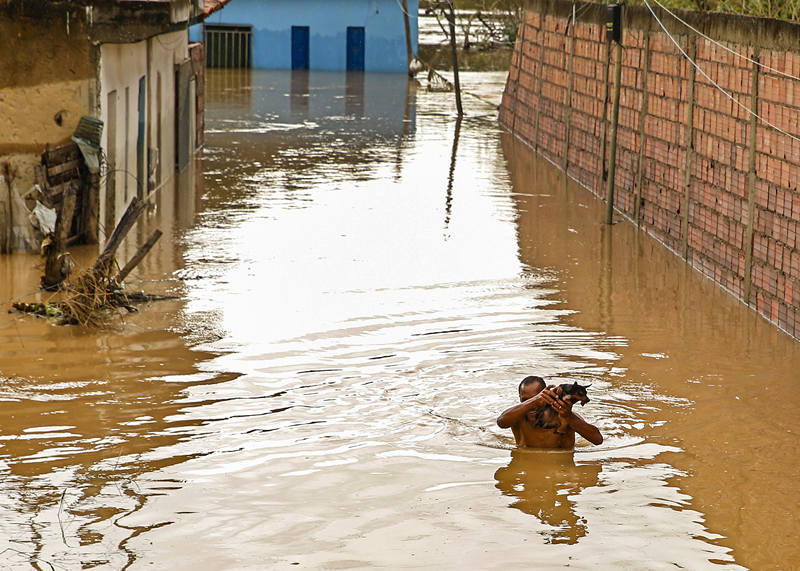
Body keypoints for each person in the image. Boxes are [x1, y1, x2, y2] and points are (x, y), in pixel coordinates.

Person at [496, 375, 603, 449]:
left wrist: (569, 417)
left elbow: (598, 440)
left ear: (548, 396)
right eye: (526, 400)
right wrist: (535, 401)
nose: (533, 406)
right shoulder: (517, 415)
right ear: (520, 399)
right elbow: (501, 422)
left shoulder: (564, 416)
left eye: (538, 398)